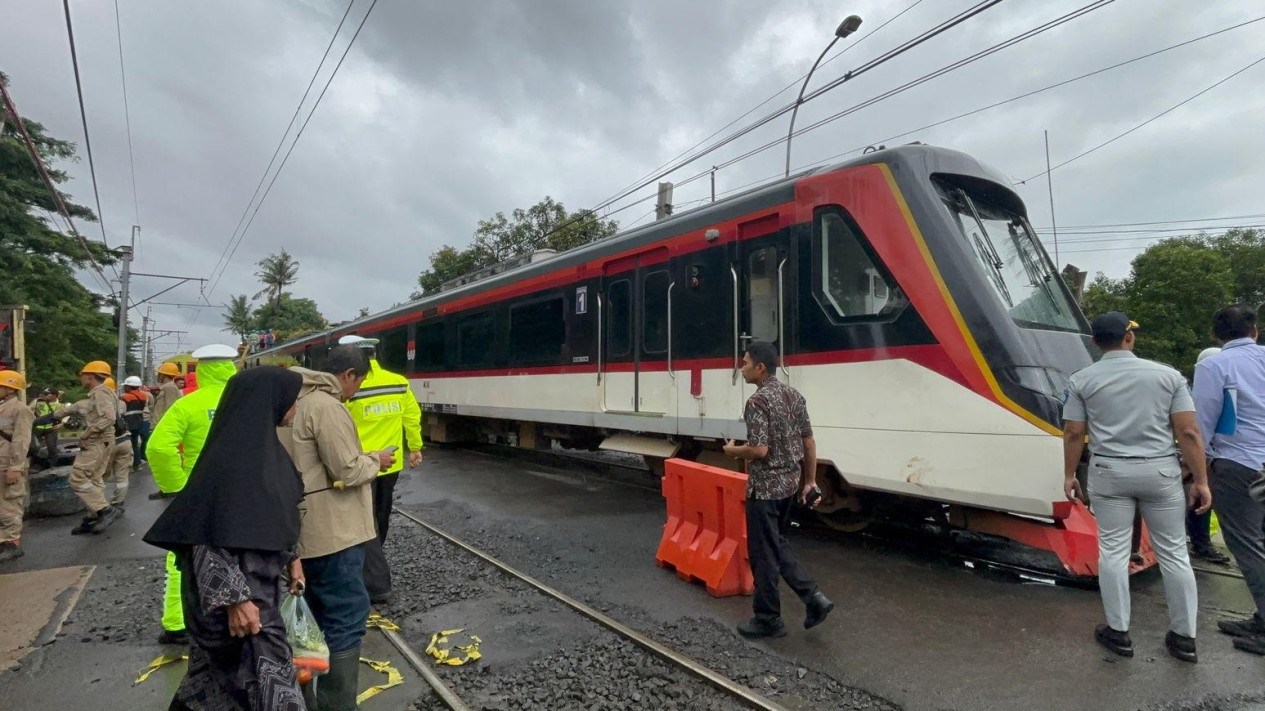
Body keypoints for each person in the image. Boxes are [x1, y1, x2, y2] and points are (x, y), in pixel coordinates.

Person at [144, 367, 307, 711]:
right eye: (292, 400)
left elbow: (275, 516)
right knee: (263, 680)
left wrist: (292, 558)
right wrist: (235, 600)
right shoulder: (230, 464)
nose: (295, 407)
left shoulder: (265, 451)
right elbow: (206, 536)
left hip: (259, 590)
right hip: (239, 601)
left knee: (225, 684)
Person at [1061, 312, 1211, 662]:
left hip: (1109, 471)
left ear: (1095, 343)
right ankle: (1184, 638)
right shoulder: (1169, 376)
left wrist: (1069, 474)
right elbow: (1188, 432)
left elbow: (1073, 432)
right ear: (1129, 337)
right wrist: (1201, 480)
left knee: (1113, 551)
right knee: (1174, 552)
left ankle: (1118, 632)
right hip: (1160, 471)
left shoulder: (1081, 380)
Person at [280, 345, 394, 711]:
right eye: (357, 384)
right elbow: (346, 469)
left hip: (297, 532)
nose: (354, 392)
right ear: (348, 375)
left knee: (307, 618)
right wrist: (376, 460)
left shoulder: (287, 401)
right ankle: (337, 706)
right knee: (346, 616)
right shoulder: (325, 406)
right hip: (333, 533)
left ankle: (302, 701)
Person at [722, 341, 833, 638]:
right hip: (788, 486)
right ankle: (814, 598)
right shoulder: (793, 395)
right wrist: (810, 482)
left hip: (765, 491)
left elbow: (759, 450)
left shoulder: (757, 402)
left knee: (763, 554)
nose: (741, 368)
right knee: (777, 543)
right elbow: (808, 441)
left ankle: (768, 619)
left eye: (745, 363)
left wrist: (732, 451)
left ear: (760, 368)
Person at [147, 344, 239, 645]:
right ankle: (239, 615)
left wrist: (177, 486)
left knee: (184, 557)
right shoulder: (245, 402)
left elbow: (158, 448)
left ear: (199, 370)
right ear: (232, 367)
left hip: (197, 493)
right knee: (243, 553)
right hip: (241, 492)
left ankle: (177, 623)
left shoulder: (188, 404)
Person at [1192, 305, 1265, 655]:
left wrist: (1196, 472)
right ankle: (1261, 618)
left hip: (1240, 465)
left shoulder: (1214, 365)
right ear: (1255, 331)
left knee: (1248, 546)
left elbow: (1201, 424)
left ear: (1215, 335)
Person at [337, 334, 424, 605]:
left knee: (364, 520)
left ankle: (373, 574)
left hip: (362, 465)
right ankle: (375, 559)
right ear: (375, 355)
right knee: (381, 514)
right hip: (391, 464)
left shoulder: (350, 385)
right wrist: (415, 447)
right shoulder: (398, 382)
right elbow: (412, 416)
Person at [67, 360, 124, 535]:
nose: (81, 378)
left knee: (77, 478)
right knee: (94, 479)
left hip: (97, 441)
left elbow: (109, 417)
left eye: (83, 375)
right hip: (103, 440)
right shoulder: (104, 392)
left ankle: (104, 510)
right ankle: (94, 516)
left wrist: (87, 434)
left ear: (90, 376)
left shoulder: (100, 393)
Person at [1187, 347, 1231, 565]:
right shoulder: (1194, 394)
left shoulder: (1202, 393)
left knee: (1200, 501)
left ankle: (1201, 543)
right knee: (1199, 502)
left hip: (1211, 455)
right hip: (1203, 456)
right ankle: (1201, 544)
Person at [0, 370, 33, 563]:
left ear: (10, 389)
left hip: (9, 464)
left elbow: (21, 440)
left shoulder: (20, 409)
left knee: (11, 503)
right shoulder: (2, 408)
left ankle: (12, 543)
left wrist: (16, 467)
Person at [121, 375, 151, 470]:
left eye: (125, 386)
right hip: (139, 422)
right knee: (135, 444)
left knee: (127, 444)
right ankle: (137, 464)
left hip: (128, 423)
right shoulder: (144, 396)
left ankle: (128, 464)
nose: (124, 388)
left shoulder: (125, 397)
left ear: (129, 386)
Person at [30, 388, 62, 466]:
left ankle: (52, 464)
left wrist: (62, 423)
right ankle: (35, 464)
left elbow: (64, 414)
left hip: (51, 428)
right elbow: (29, 410)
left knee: (52, 447)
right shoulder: (38, 402)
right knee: (33, 447)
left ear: (54, 395)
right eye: (45, 394)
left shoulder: (58, 405)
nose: (45, 396)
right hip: (38, 428)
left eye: (47, 394)